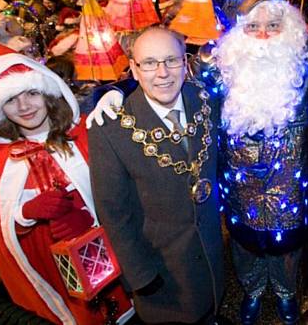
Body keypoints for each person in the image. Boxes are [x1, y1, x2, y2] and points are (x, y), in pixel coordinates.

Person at [88, 0, 308, 325]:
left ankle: (285, 292)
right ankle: (251, 289)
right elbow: (162, 75)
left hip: (291, 187)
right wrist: (114, 91)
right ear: (236, 31)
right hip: (238, 188)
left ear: (288, 28)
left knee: (289, 249)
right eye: (253, 27)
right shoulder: (212, 64)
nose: (263, 36)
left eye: (274, 26)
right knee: (244, 246)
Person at [0, 40, 133, 324]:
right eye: (10, 99)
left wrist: (116, 91)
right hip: (53, 271)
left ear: (47, 93)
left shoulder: (84, 132)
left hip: (116, 252)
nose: (24, 106)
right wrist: (26, 214)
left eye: (31, 93)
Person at [88, 27, 224, 324]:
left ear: (185, 63)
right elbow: (113, 212)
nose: (162, 72)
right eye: (149, 63)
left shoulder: (205, 100)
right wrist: (140, 275)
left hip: (211, 255)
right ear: (134, 70)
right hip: (162, 273)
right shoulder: (110, 128)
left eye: (171, 60)